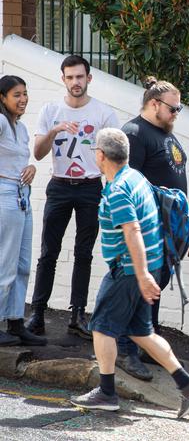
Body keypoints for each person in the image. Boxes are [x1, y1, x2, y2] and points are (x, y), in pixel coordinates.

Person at [70, 128, 189, 417]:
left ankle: (107, 393)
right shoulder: (136, 178)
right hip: (150, 267)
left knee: (102, 327)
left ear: (101, 155)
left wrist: (142, 275)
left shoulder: (118, 190)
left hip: (129, 270)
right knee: (140, 331)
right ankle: (187, 382)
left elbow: (133, 231)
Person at [27, 55, 119, 340]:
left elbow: (114, 159)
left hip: (90, 187)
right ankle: (38, 314)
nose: (75, 82)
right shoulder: (51, 110)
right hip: (59, 186)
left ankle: (77, 315)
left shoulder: (103, 113)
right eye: (70, 77)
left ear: (88, 78)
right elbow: (39, 153)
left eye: (80, 77)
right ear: (63, 79)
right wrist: (55, 129)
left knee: (84, 253)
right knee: (48, 253)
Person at [118, 77, 188, 381]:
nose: (176, 113)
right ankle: (125, 352)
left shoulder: (165, 133)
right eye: (173, 108)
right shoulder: (134, 133)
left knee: (152, 292)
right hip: (145, 231)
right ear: (154, 104)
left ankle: (148, 344)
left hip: (166, 233)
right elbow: (125, 185)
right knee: (135, 291)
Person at [0, 76, 45, 347]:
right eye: (16, 94)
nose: (23, 99)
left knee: (22, 264)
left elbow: (21, 161)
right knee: (5, 263)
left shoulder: (22, 128)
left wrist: (32, 168)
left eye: (25, 94)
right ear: (2, 97)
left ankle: (16, 322)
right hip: (5, 195)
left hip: (22, 197)